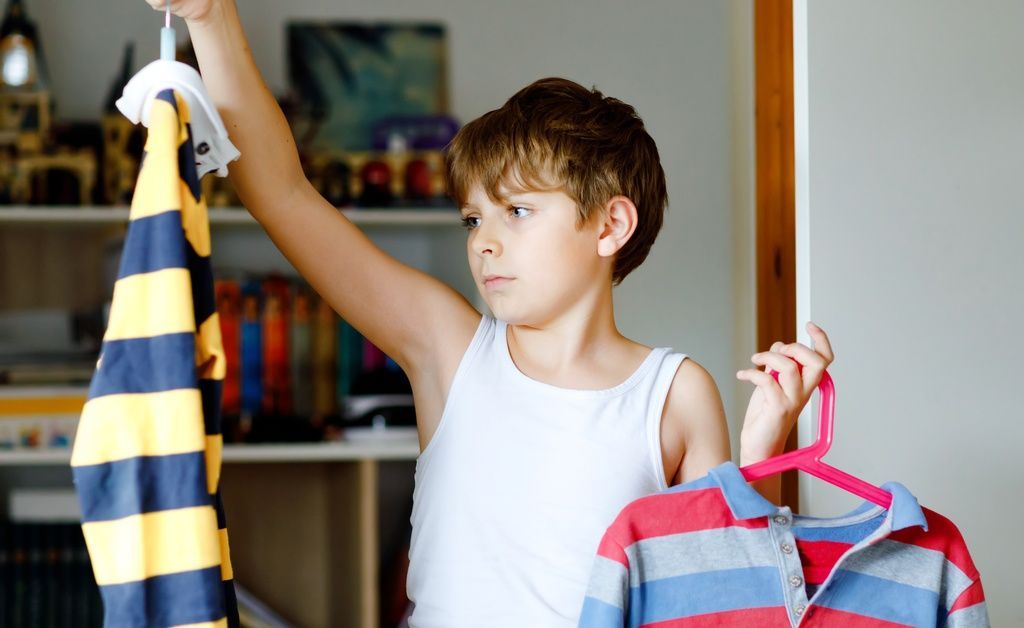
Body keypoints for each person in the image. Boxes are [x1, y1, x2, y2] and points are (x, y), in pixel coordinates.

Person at [148, 1, 835, 624]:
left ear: (610, 226)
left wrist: (762, 452)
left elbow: (724, 600)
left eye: (518, 210)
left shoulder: (675, 394)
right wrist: (209, 16)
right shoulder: (449, 348)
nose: (485, 240)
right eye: (474, 217)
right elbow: (283, 194)